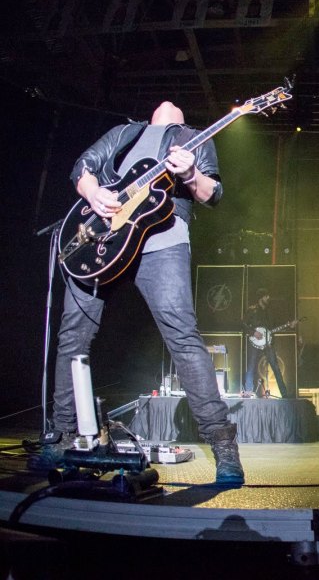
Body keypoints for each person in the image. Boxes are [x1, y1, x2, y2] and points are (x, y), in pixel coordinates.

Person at [31, 102, 244, 484]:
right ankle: (62, 436)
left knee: (183, 338)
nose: (170, 103)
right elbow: (83, 167)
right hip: (100, 240)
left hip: (162, 241)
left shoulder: (193, 137)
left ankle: (224, 447)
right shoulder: (124, 132)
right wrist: (94, 193)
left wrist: (191, 173)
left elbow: (211, 193)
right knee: (73, 337)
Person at [242, 288, 294, 398]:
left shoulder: (270, 312)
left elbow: (275, 326)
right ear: (261, 298)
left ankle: (284, 394)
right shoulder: (252, 310)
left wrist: (289, 325)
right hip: (254, 343)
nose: (268, 298)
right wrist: (253, 332)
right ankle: (248, 392)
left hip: (267, 343)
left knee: (275, 366)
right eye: (266, 296)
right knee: (251, 366)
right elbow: (243, 325)